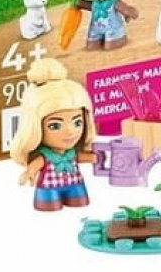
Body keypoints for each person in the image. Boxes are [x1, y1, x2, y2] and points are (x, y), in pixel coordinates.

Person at [10, 59, 96, 211]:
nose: (70, 131)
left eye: (77, 122)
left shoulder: (72, 153)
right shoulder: (45, 157)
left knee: (81, 203)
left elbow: (85, 157)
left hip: (76, 185)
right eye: (55, 126)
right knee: (50, 208)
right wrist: (29, 172)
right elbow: (35, 165)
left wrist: (98, 158)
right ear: (35, 127)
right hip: (49, 189)